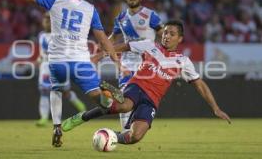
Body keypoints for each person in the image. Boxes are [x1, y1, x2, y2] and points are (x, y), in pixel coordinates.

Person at [0, 0, 122, 147]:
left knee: (56, 90)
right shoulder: (90, 8)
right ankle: (104, 92)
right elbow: (102, 39)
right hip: (81, 62)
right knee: (104, 104)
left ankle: (56, 127)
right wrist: (116, 60)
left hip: (57, 62)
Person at [62, 20, 231, 145]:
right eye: (165, 32)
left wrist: (215, 108)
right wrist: (100, 56)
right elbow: (124, 46)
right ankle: (83, 116)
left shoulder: (183, 61)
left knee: (135, 137)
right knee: (124, 106)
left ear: (180, 39)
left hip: (152, 100)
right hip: (137, 86)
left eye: (172, 34)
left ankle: (109, 135)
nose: (166, 36)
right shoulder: (150, 45)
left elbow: (199, 84)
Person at [108, 0, 164, 131]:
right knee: (123, 100)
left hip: (146, 66)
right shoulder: (120, 18)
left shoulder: (150, 15)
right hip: (126, 64)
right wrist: (103, 45)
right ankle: (126, 134)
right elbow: (112, 38)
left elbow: (163, 36)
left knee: (139, 101)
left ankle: (135, 128)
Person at [36, 12, 86, 127]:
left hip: (59, 65)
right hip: (45, 67)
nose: (47, 22)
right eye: (45, 20)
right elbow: (41, 52)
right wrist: (39, 59)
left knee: (64, 92)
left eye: (49, 20)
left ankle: (79, 105)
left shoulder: (61, 35)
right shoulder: (41, 36)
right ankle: (43, 118)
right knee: (44, 92)